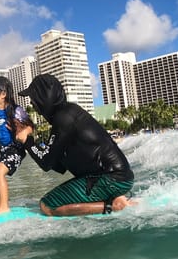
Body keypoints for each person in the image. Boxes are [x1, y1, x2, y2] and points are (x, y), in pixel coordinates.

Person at [18, 74, 134, 216]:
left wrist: (27, 141)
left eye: (33, 99)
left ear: (44, 97)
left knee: (47, 205)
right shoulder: (67, 113)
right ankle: (113, 196)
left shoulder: (64, 118)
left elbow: (46, 163)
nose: (32, 104)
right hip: (119, 177)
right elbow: (58, 166)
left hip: (112, 179)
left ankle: (112, 205)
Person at [0, 76, 34, 214]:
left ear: (2, 94)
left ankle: (4, 207)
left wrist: (24, 132)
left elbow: (31, 126)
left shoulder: (15, 110)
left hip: (15, 149)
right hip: (2, 150)